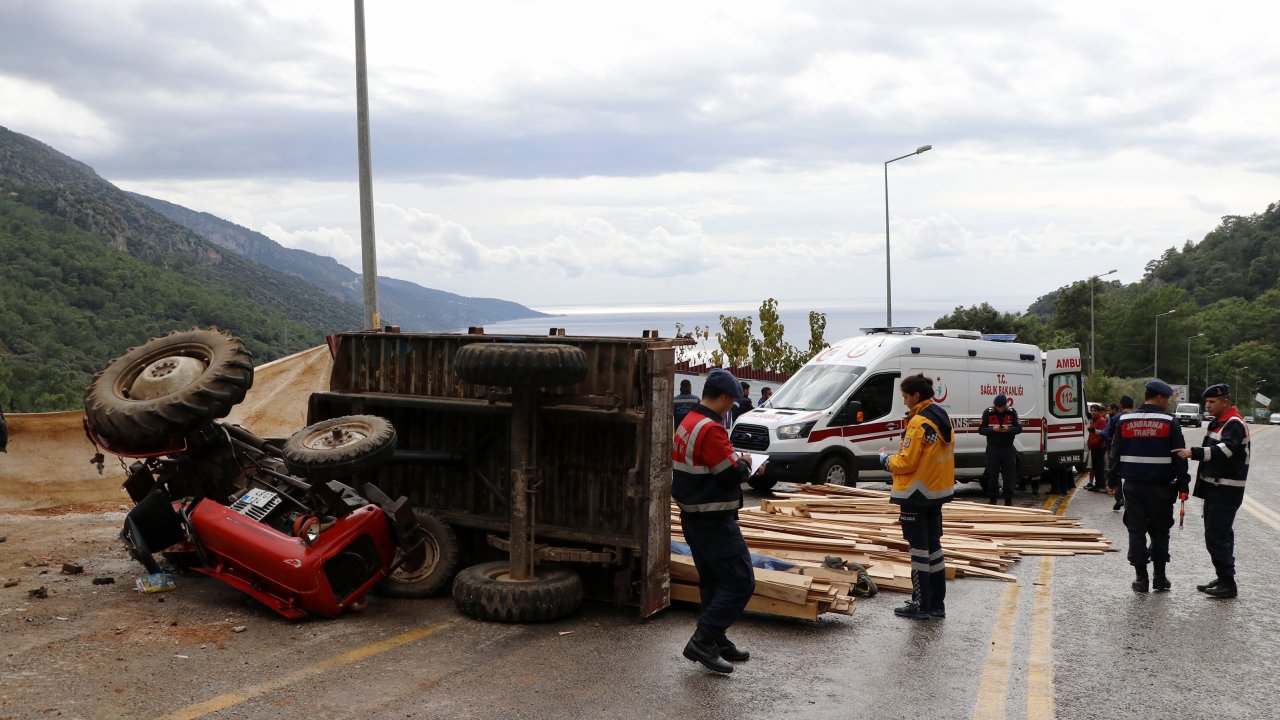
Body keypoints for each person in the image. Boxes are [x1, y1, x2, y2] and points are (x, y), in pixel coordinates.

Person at [671, 368, 755, 673]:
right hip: (713, 520)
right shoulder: (710, 428)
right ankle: (703, 640)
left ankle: (715, 638)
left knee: (713, 581)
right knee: (740, 580)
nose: (730, 408)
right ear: (722, 398)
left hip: (694, 517)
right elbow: (730, 473)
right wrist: (746, 465)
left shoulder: (687, 423)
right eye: (730, 403)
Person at [880, 374, 955, 619]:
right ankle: (937, 604)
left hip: (915, 494)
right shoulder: (942, 416)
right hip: (935, 493)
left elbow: (906, 462)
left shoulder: (918, 422)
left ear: (916, 396)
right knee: (934, 548)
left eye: (905, 397)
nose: (904, 402)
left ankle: (920, 604)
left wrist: (885, 461)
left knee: (919, 551)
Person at [1106, 379, 1189, 593]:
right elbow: (1179, 456)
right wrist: (1183, 485)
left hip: (1133, 487)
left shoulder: (1124, 420)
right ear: (1159, 397)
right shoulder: (1169, 422)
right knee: (1160, 532)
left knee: (1136, 531)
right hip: (1161, 488)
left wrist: (1112, 480)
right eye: (1167, 399)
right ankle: (1160, 579)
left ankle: (1141, 579)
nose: (1168, 403)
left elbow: (1115, 454)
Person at [1174, 383, 1250, 599]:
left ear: (1225, 402)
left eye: (1212, 402)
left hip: (1225, 489)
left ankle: (1228, 582)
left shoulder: (1234, 424)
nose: (1208, 405)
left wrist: (1193, 453)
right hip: (1216, 488)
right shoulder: (1220, 422)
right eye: (1206, 402)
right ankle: (1224, 576)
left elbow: (1225, 451)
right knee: (1223, 535)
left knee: (1215, 536)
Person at [978, 394, 1021, 505]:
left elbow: (1019, 428)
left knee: (1008, 475)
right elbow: (981, 430)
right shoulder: (988, 412)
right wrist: (992, 429)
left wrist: (1009, 429)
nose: (1000, 409)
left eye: (1002, 407)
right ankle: (993, 499)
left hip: (1008, 448)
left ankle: (1008, 499)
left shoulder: (1011, 412)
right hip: (993, 449)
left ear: (1005, 405)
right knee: (992, 474)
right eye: (998, 407)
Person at [1101, 396, 1134, 511]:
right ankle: (1130, 500)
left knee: (1116, 472)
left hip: (1116, 450)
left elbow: (1108, 433)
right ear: (1132, 405)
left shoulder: (1116, 418)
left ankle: (1119, 497)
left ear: (1121, 405)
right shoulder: (1135, 417)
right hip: (1132, 451)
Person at [1085, 404, 1108, 491]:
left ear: (1098, 411)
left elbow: (1102, 434)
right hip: (1094, 447)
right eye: (1092, 410)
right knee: (1095, 467)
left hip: (1099, 447)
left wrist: (1095, 443)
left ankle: (1100, 485)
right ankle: (1097, 484)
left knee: (1099, 467)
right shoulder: (1093, 420)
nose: (1093, 412)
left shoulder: (1101, 421)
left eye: (1095, 410)